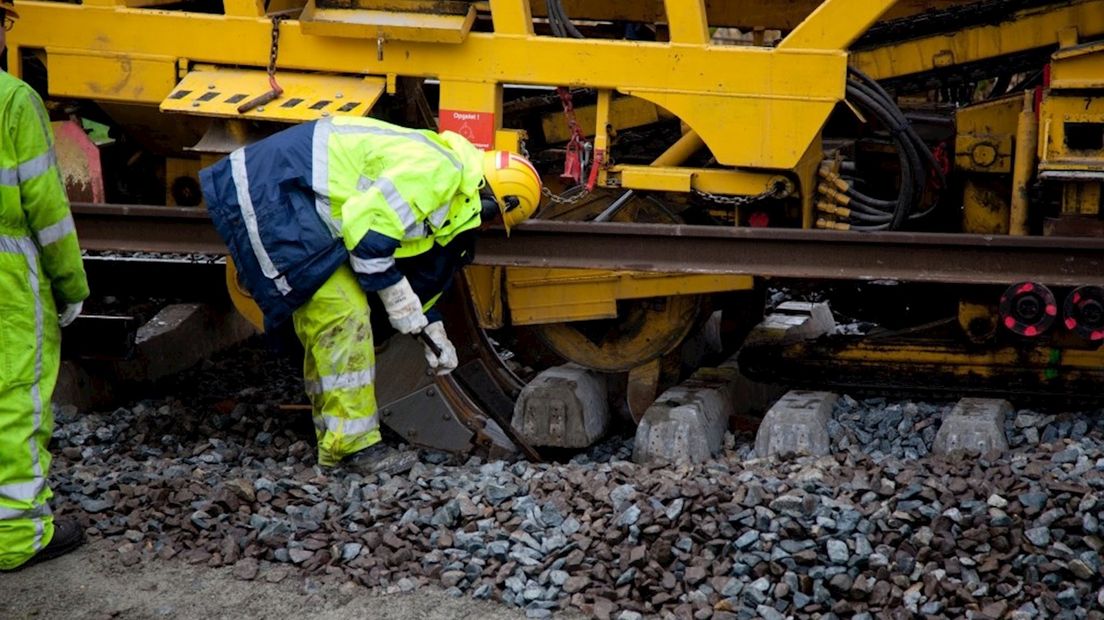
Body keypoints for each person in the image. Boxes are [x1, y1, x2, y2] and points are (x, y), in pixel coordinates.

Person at [200, 116, 541, 474]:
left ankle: (335, 442)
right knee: (341, 313)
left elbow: (411, 262)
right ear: (492, 203)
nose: (485, 228)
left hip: (292, 192)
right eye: (492, 221)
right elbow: (369, 245)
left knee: (336, 317)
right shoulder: (436, 172)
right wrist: (401, 306)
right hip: (274, 191)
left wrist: (429, 326)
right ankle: (354, 448)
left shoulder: (451, 183)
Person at [0, 0, 90, 570]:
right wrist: (70, 283)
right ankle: (15, 536)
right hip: (6, 274)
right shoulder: (12, 99)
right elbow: (46, 208)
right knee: (14, 395)